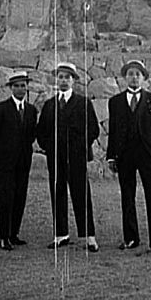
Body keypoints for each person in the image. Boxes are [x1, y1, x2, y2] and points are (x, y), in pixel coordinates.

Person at [106, 59, 151, 257]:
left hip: (148, 154)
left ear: (144, 78)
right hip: (125, 155)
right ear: (125, 77)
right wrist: (111, 157)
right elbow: (113, 131)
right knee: (127, 196)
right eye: (130, 74)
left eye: (138, 74)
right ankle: (131, 238)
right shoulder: (115, 102)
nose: (134, 77)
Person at [36, 62, 100, 252]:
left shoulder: (83, 103)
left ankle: (88, 236)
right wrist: (49, 147)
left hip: (76, 157)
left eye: (67, 77)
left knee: (81, 194)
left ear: (73, 80)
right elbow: (42, 131)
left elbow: (93, 129)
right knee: (58, 193)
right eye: (61, 77)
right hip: (56, 158)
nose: (63, 80)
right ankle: (61, 234)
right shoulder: (49, 105)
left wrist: (79, 147)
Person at [0, 71, 37, 251]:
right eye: (17, 86)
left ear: (27, 87)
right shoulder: (0, 109)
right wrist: (2, 153)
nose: (20, 89)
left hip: (23, 162)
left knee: (19, 197)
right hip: (4, 163)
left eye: (23, 85)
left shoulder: (31, 110)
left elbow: (31, 135)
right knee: (5, 198)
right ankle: (3, 236)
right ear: (10, 88)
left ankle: (14, 234)